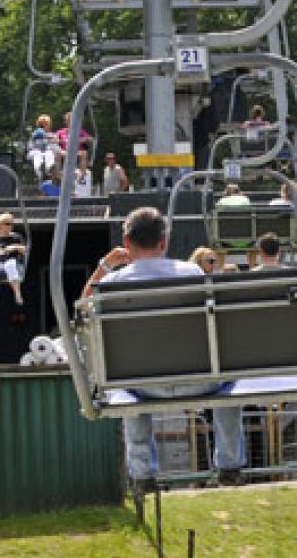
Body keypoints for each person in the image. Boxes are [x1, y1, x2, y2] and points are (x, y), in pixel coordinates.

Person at [82, 208, 247, 488]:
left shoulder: (112, 283)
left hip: (143, 385)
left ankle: (143, 474)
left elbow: (82, 308)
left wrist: (105, 266)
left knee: (124, 385)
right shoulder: (192, 272)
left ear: (126, 241)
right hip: (198, 381)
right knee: (228, 380)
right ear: (163, 242)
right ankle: (229, 467)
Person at [27, 114, 57, 181]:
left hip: (46, 152)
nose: (48, 126)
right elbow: (40, 134)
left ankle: (49, 168)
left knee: (49, 153)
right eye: (46, 124)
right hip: (35, 151)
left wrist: (55, 141)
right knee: (37, 155)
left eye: (48, 124)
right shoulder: (38, 131)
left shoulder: (52, 135)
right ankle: (40, 171)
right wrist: (50, 138)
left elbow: (55, 145)